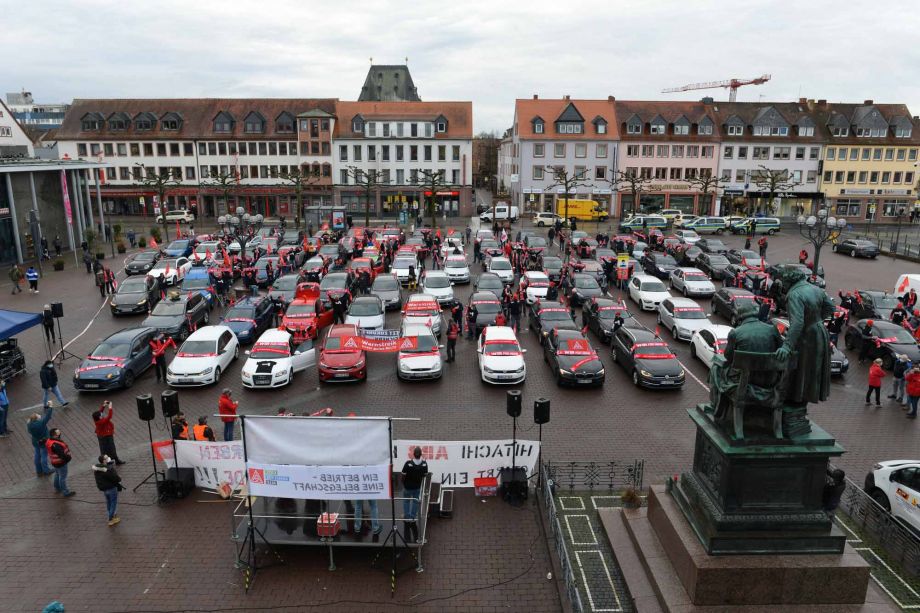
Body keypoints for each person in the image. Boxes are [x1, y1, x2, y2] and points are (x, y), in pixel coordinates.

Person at [401, 446, 428, 543]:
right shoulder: (424, 464)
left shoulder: (408, 464)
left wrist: (403, 484)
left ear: (413, 454)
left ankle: (407, 517)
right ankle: (412, 517)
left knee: (406, 502)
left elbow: (403, 475)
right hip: (417, 487)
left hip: (407, 488)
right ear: (420, 454)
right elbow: (425, 475)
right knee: (416, 502)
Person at [93, 455, 124, 526]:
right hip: (111, 488)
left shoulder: (97, 469)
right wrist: (119, 478)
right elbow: (115, 478)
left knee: (108, 502)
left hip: (104, 489)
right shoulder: (108, 469)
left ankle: (111, 515)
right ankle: (111, 519)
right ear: (103, 461)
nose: (108, 459)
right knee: (113, 503)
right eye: (106, 458)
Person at [92, 401, 125, 465]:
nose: (102, 414)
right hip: (106, 436)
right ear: (99, 417)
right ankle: (113, 460)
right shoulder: (102, 421)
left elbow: (100, 412)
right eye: (101, 415)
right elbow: (109, 416)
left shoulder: (97, 419)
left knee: (105, 449)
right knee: (111, 448)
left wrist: (104, 405)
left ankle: (109, 461)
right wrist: (110, 407)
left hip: (102, 436)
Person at [46, 428, 74, 497]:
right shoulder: (56, 445)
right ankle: (65, 492)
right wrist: (68, 458)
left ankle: (57, 487)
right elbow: (62, 455)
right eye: (58, 433)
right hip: (61, 463)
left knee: (57, 474)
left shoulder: (49, 441)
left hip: (54, 462)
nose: (59, 434)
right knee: (63, 477)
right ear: (54, 435)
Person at [28, 403, 54, 476]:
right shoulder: (41, 423)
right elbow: (48, 416)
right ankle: (46, 470)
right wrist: (50, 407)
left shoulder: (29, 425)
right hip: (43, 442)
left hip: (36, 442)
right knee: (44, 456)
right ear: (36, 418)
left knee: (37, 455)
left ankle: (39, 471)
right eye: (38, 415)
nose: (39, 415)